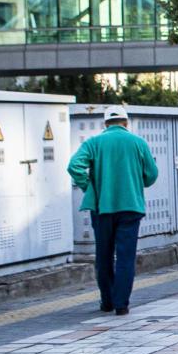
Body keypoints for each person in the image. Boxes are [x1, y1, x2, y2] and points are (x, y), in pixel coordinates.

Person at [67, 106, 158, 316]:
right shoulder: (138, 143)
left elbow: (74, 166)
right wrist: (136, 181)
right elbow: (151, 175)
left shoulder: (94, 143)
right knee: (126, 257)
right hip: (131, 207)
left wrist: (88, 186)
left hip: (102, 207)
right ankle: (122, 304)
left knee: (104, 255)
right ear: (126, 123)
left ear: (105, 124)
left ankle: (106, 301)